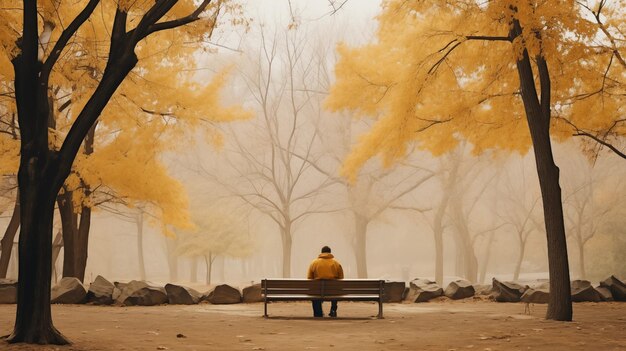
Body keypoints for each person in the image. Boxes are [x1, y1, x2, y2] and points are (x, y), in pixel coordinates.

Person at [307, 246, 344, 318]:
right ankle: (333, 310)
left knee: (314, 290)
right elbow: (341, 279)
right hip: (333, 293)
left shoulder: (314, 263)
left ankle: (318, 313)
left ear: (321, 253)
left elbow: (309, 278)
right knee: (336, 288)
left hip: (317, 292)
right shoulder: (336, 263)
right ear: (330, 253)